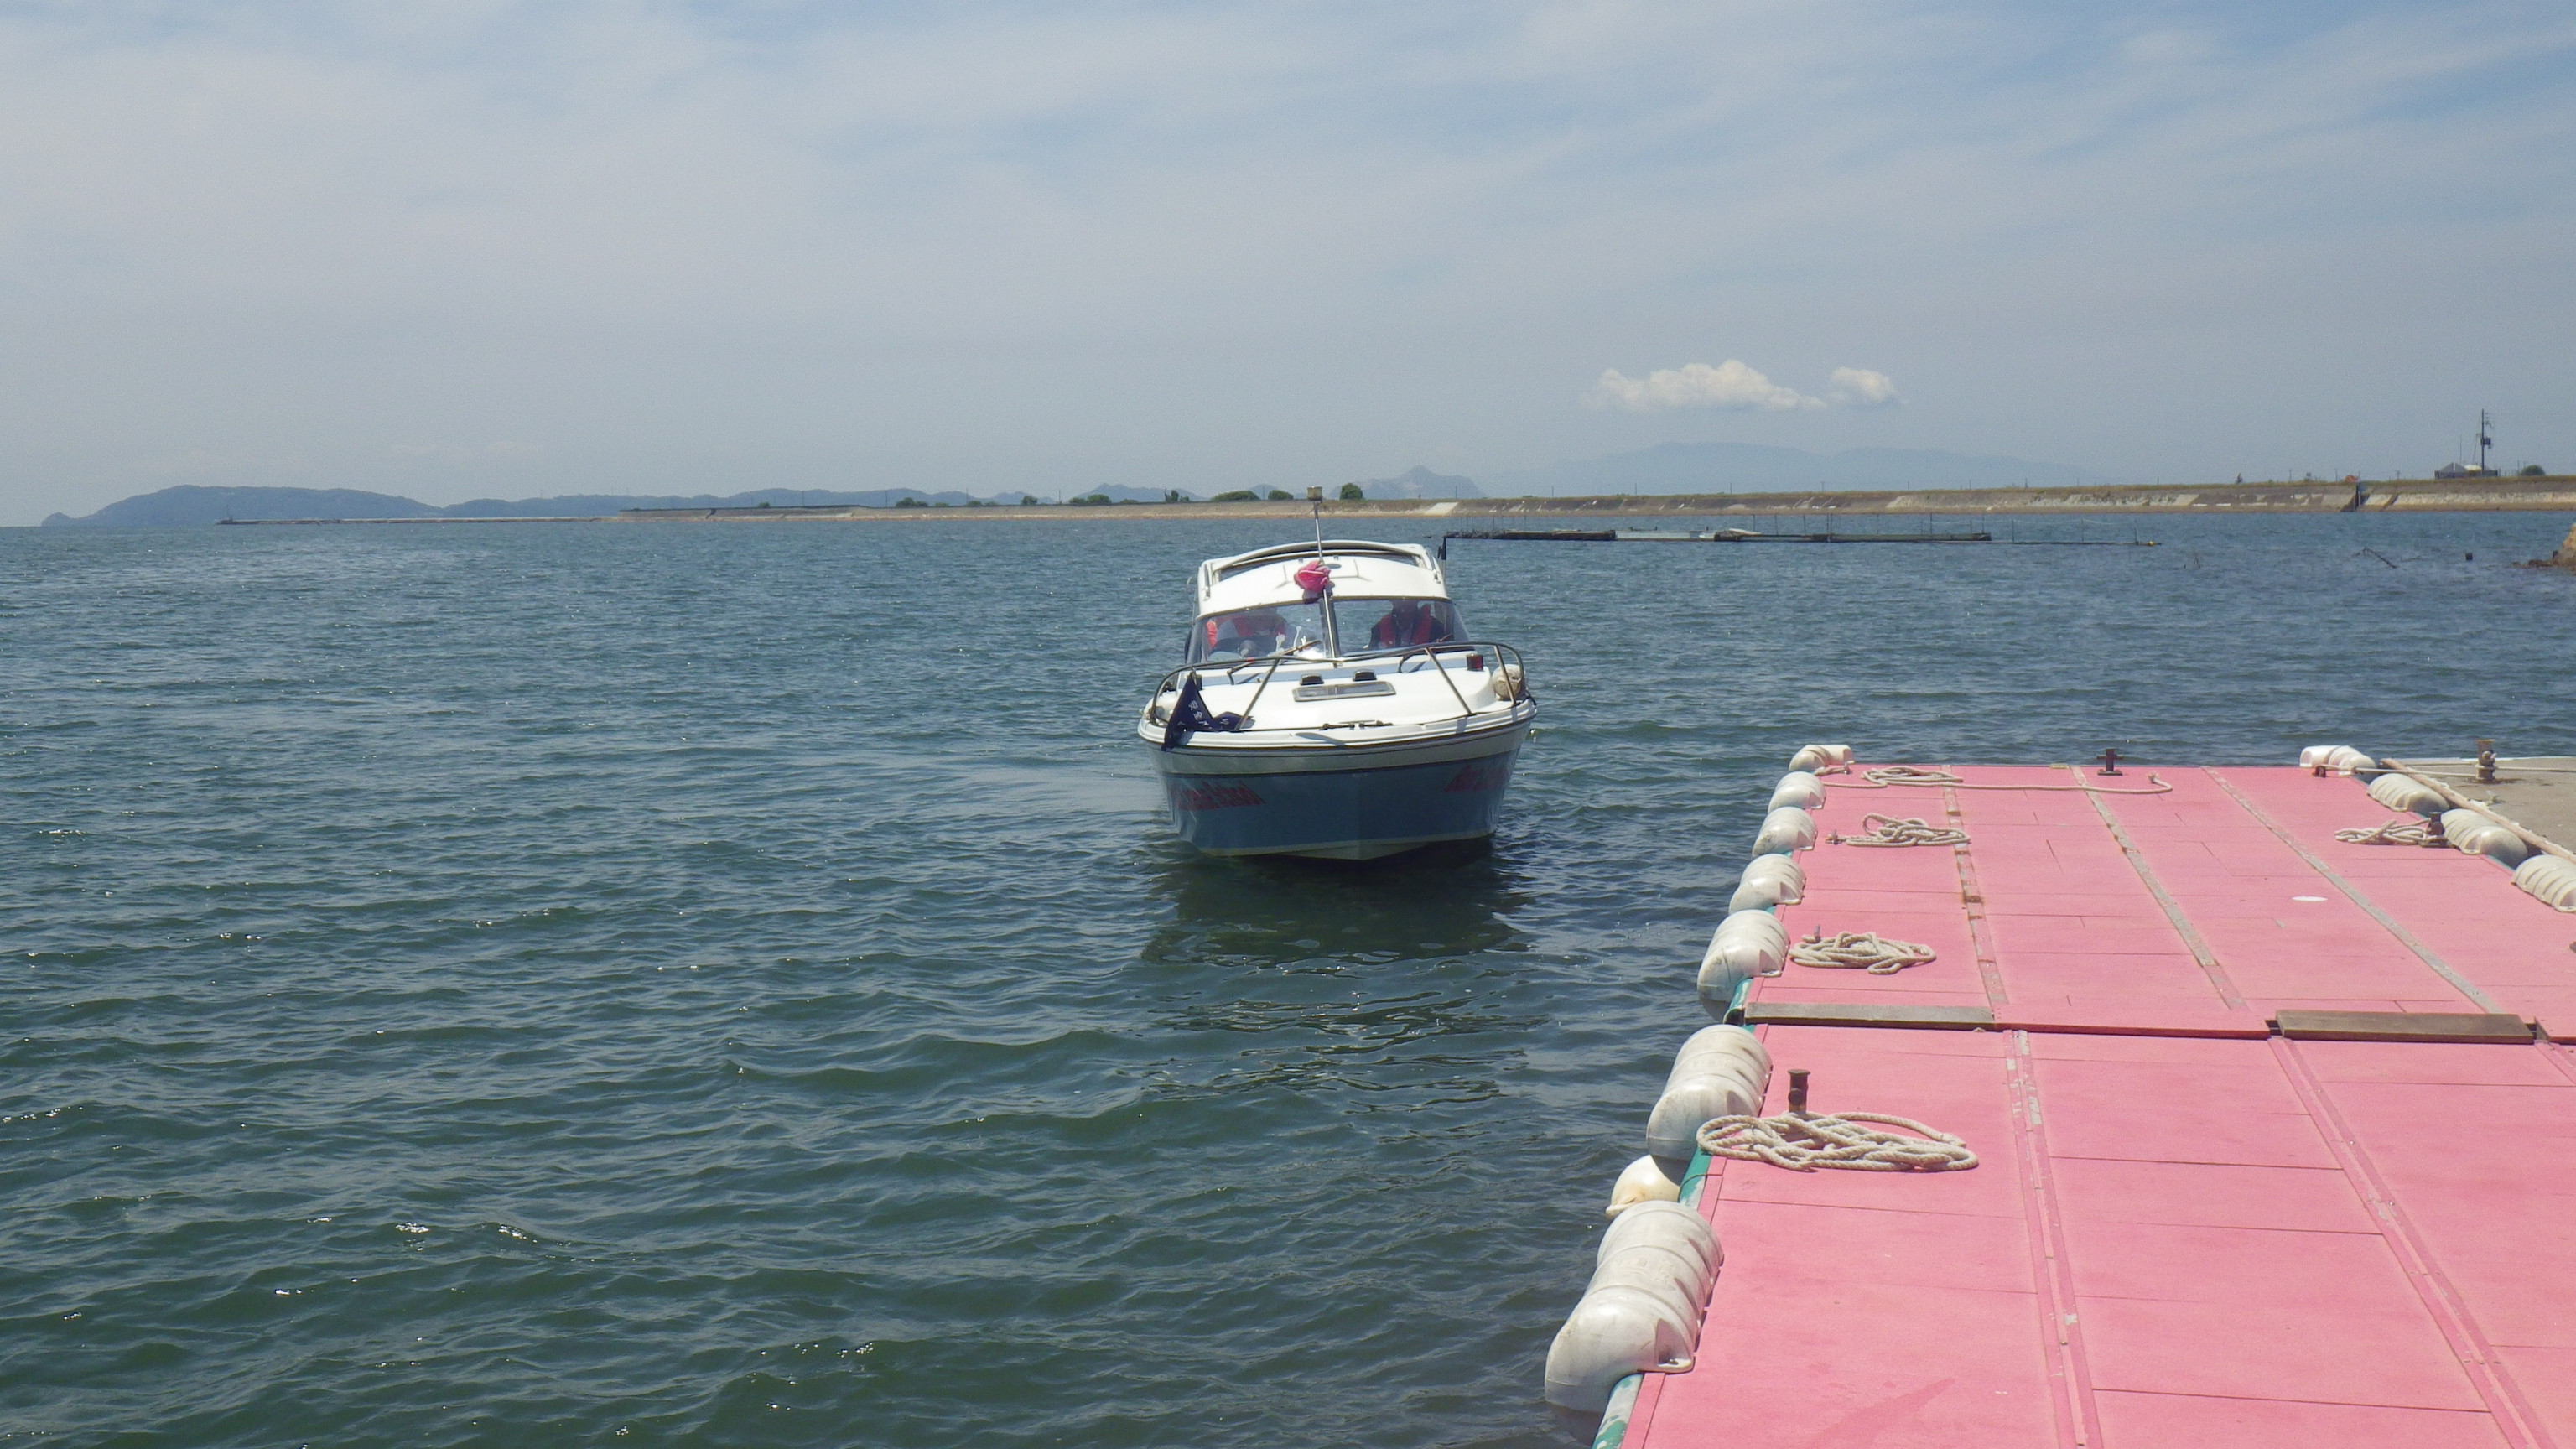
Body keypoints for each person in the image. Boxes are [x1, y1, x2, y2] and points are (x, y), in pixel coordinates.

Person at [1369, 599, 1450, 649]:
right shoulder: (1378, 629)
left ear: (1417, 600)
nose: (1404, 603)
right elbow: (1372, 658)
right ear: (1392, 600)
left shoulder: (1435, 628)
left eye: (1409, 599)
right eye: (1399, 599)